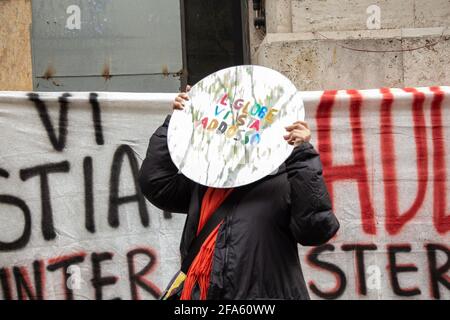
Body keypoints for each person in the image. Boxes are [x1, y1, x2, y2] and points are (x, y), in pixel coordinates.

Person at [138, 85, 340, 300]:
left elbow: (316, 230)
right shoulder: (206, 178)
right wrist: (177, 123)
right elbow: (156, 184)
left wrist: (300, 155)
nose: (238, 133)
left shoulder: (288, 178)